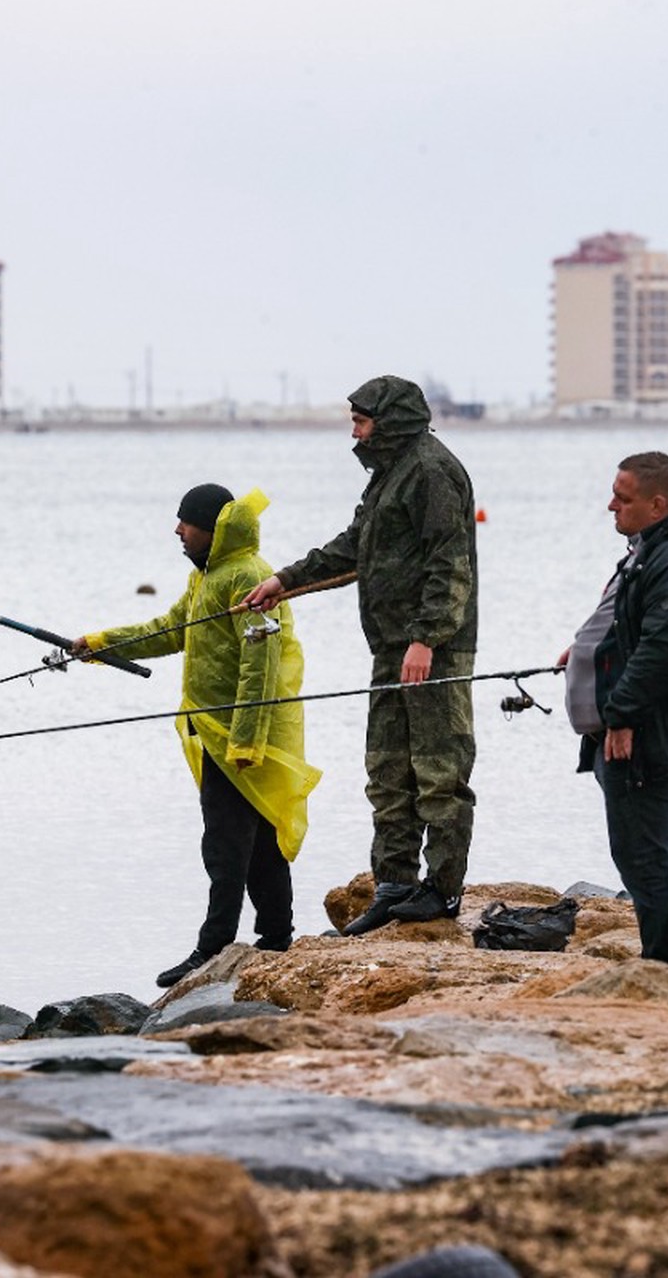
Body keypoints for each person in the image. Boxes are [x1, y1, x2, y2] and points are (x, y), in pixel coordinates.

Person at [244, 375, 478, 932]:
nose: (354, 432)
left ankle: (442, 892)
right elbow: (355, 546)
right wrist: (285, 579)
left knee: (439, 773)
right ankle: (394, 884)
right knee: (387, 768)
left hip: (433, 651)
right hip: (389, 647)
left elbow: (450, 564)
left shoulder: (431, 471)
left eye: (360, 421)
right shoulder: (390, 474)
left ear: (389, 421)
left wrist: (426, 638)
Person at [76, 484, 320, 988]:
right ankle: (276, 938)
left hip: (245, 736)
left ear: (215, 529)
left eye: (185, 522)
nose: (177, 530)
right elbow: (171, 630)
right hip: (215, 733)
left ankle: (215, 947)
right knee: (253, 843)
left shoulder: (248, 578)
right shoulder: (205, 577)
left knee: (230, 845)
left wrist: (246, 742)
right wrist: (99, 645)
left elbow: (262, 665)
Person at [565, 452, 668, 966]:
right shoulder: (653, 548)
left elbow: (666, 648)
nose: (610, 504)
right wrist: (588, 650)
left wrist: (622, 715)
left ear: (658, 504)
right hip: (647, 728)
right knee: (661, 856)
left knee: (645, 859)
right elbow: (637, 627)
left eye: (623, 496)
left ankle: (665, 971)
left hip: (653, 734)